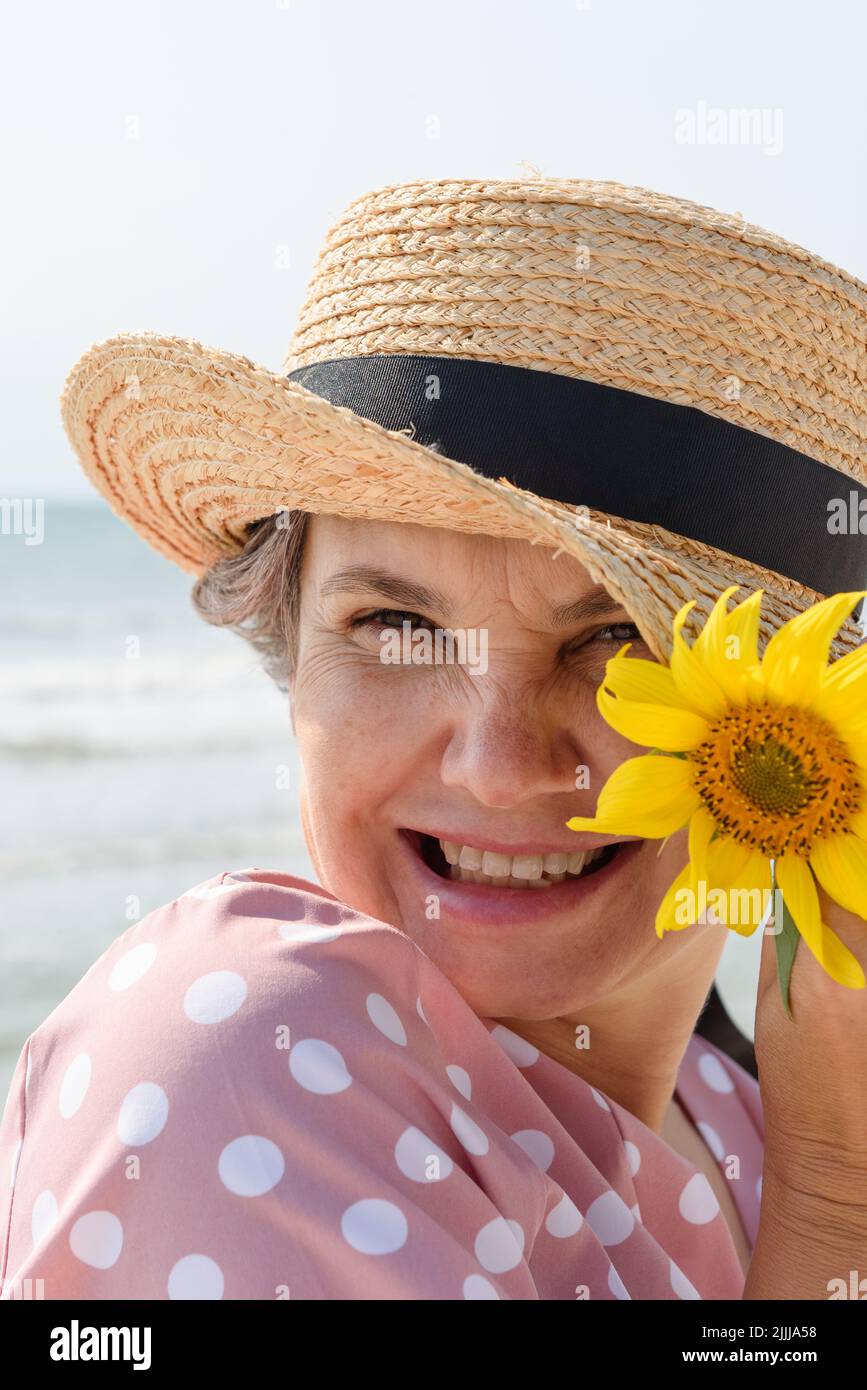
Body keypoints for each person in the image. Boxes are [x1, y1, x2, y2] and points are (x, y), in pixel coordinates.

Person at [1, 177, 865, 1300]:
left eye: (617, 642)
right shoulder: (238, 1060)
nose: (496, 766)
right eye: (394, 625)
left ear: (817, 737)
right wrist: (837, 1200)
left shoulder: (750, 1117)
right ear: (289, 645)